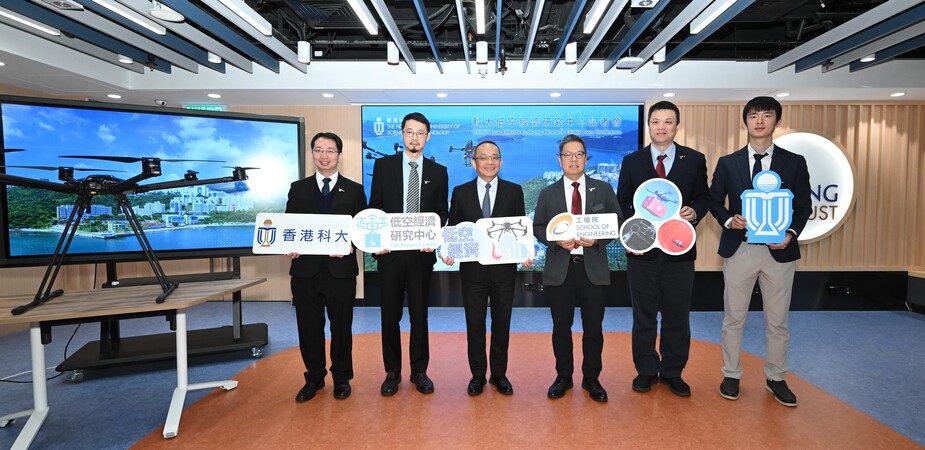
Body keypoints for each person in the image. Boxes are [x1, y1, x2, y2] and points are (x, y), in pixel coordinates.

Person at [709, 96, 811, 407]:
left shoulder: (794, 162)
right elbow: (714, 201)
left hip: (779, 251)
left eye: (767, 115)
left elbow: (803, 206)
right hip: (740, 249)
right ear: (745, 121)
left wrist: (790, 234)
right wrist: (729, 219)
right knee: (733, 317)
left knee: (777, 319)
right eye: (754, 115)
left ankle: (776, 377)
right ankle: (731, 373)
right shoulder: (728, 162)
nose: (760, 121)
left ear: (776, 122)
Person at [616, 101, 710, 397]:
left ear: (676, 126)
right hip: (643, 253)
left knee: (677, 315)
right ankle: (645, 370)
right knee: (643, 315)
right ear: (649, 125)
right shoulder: (632, 161)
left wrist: (694, 213)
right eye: (655, 121)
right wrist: (633, 238)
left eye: (668, 122)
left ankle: (672, 371)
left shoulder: (694, 159)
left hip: (679, 250)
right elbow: (622, 204)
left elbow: (704, 198)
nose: (661, 127)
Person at [533, 134, 621, 403]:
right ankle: (563, 377)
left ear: (586, 158)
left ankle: (591, 378)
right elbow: (538, 227)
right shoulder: (548, 193)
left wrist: (598, 239)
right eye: (568, 155)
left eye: (579, 154)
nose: (573, 159)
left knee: (593, 328)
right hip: (561, 269)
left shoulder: (603, 189)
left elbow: (616, 222)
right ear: (560, 160)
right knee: (561, 327)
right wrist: (555, 241)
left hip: (591, 268)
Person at [368, 112, 449, 396]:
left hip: (420, 255)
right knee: (389, 315)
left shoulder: (439, 172)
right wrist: (377, 239)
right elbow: (375, 207)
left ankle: (419, 371)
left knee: (419, 315)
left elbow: (442, 212)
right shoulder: (383, 166)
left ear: (428, 137)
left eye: (420, 133)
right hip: (389, 254)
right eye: (409, 132)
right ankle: (392, 371)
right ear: (402, 134)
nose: (414, 138)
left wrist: (433, 237)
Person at [441, 140, 531, 396]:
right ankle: (478, 375)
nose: (489, 162)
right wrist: (448, 251)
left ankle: (499, 375)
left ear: (500, 162)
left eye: (494, 157)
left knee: (502, 324)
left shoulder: (514, 191)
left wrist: (524, 252)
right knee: (475, 325)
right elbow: (455, 229)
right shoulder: (460, 192)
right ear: (474, 162)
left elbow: (520, 229)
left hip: (504, 272)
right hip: (472, 272)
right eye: (483, 157)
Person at [286, 132, 367, 401]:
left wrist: (352, 245)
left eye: (330, 150)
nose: (324, 155)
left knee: (341, 328)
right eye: (318, 150)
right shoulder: (298, 188)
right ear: (312, 154)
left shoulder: (355, 190)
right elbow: (289, 226)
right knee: (309, 328)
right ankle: (315, 378)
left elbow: (361, 229)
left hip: (340, 271)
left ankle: (342, 378)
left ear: (339, 156)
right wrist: (290, 244)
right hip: (305, 271)